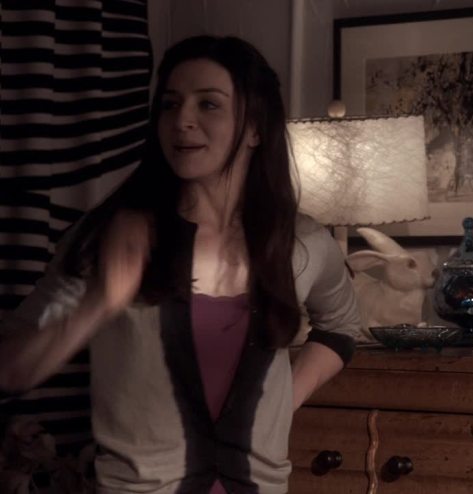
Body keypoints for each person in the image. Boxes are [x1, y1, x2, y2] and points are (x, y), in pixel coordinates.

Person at [0, 35, 361, 493]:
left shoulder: (301, 241)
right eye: (170, 104)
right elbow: (10, 368)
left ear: (255, 128)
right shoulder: (109, 235)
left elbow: (342, 325)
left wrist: (283, 401)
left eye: (208, 104)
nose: (182, 120)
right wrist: (100, 302)